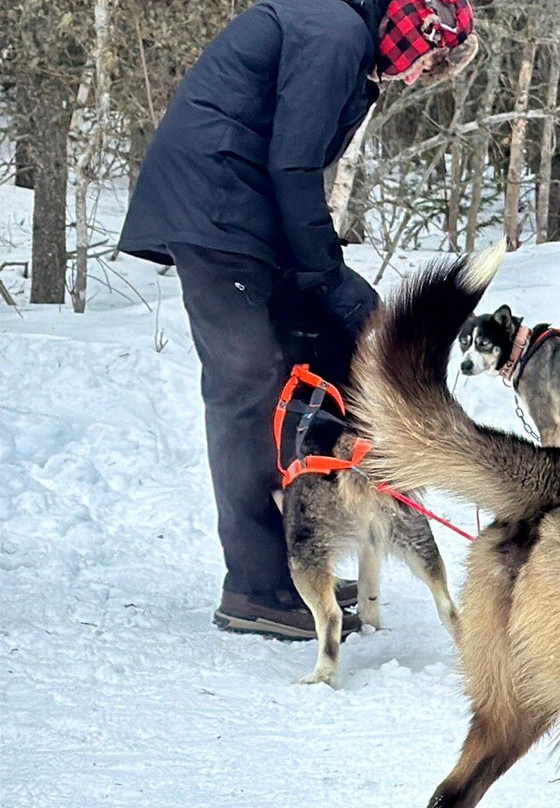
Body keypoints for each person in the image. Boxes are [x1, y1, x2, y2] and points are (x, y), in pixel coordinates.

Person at [118, 0, 478, 639]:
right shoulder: (336, 32)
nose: (421, 79)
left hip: (245, 209)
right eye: (429, 61)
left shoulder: (348, 43)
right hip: (215, 204)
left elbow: (293, 165)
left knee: (332, 343)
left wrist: (327, 276)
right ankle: (258, 585)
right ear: (410, 30)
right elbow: (293, 166)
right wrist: (322, 271)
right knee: (248, 384)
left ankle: (304, 552)